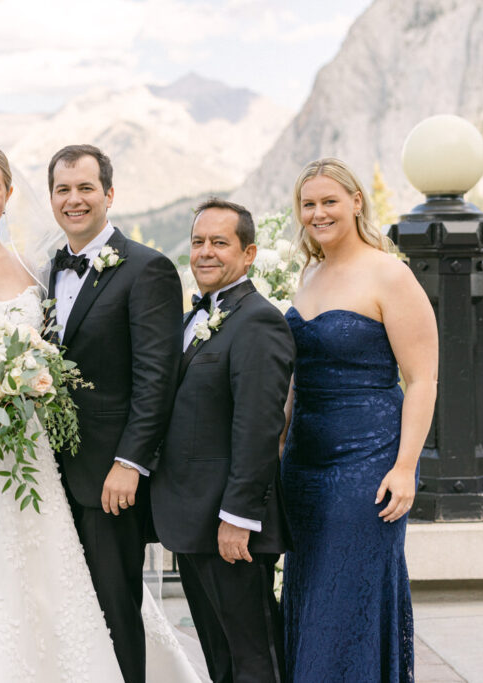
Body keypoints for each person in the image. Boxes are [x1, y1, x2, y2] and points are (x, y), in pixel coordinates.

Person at [0, 144, 201, 682]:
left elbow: (74, 362)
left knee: (42, 582)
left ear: (8, 196)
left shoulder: (33, 270)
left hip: (25, 453)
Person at [281, 158, 437, 682]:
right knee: (310, 592)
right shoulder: (310, 273)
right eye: (309, 204)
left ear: (356, 202)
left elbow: (421, 380)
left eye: (330, 201)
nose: (319, 213)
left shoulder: (389, 273)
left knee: (348, 598)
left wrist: (405, 467)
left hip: (368, 464)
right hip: (304, 460)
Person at [46, 144, 183, 683]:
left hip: (109, 475)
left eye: (85, 188)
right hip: (50, 470)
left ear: (109, 194)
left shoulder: (148, 269)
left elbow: (157, 377)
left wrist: (130, 462)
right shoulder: (46, 271)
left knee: (114, 607)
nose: (74, 200)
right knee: (64, 607)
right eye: (63, 189)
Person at [152, 198, 294, 682]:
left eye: (219, 242)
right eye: (197, 242)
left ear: (249, 253)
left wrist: (239, 518)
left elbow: (258, 428)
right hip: (193, 521)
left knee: (256, 659)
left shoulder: (258, 320)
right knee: (220, 659)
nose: (205, 252)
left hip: (231, 527)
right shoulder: (199, 317)